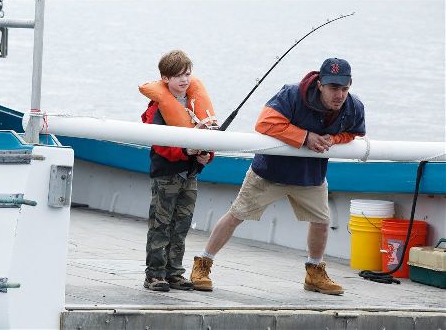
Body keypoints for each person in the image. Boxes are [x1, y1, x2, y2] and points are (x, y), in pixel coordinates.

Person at [190, 57, 365, 295]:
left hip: (309, 174)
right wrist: (306, 137)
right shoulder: (291, 95)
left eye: (344, 88)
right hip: (270, 172)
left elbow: (352, 133)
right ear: (320, 84)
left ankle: (314, 273)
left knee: (322, 222)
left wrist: (334, 139)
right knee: (236, 215)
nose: (340, 95)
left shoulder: (354, 107)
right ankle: (203, 264)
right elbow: (265, 123)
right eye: (334, 88)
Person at [139, 50, 216, 292]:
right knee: (160, 225)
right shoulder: (158, 108)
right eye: (178, 76)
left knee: (181, 225)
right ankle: (154, 274)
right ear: (165, 79)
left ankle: (174, 273)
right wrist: (186, 153)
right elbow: (160, 144)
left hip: (190, 175)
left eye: (187, 74)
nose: (184, 80)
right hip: (166, 176)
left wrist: (205, 156)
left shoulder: (194, 105)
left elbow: (210, 136)